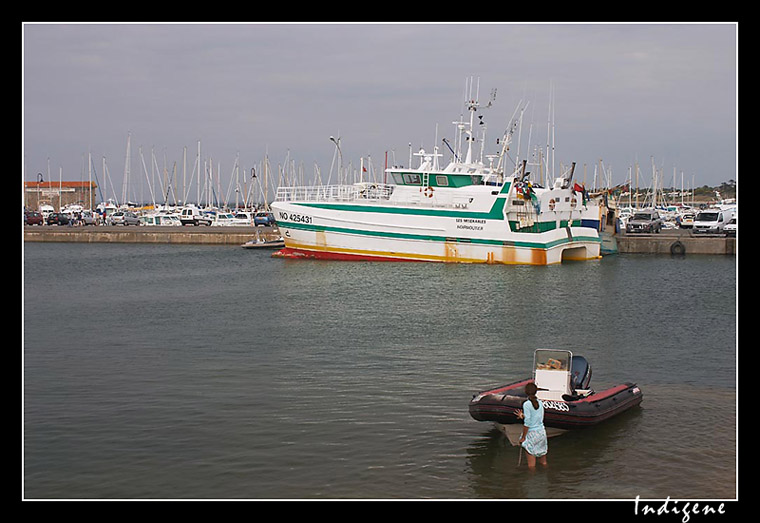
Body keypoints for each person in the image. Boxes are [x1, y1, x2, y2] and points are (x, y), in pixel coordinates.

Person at [517, 382, 548, 469]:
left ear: (525, 391)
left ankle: (531, 481)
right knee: (544, 462)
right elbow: (537, 417)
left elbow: (527, 423)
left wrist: (523, 437)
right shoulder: (540, 403)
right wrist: (523, 416)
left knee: (531, 466)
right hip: (541, 433)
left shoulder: (526, 404)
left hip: (532, 434)